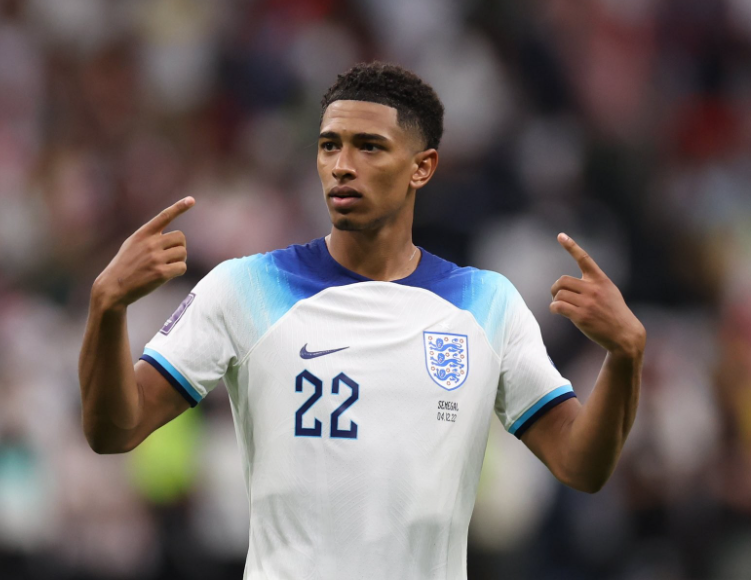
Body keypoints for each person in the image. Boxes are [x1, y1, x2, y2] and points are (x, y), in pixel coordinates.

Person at [79, 62, 645, 579]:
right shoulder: (243, 288)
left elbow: (580, 465)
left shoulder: (486, 304)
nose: (342, 166)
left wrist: (624, 357)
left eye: (369, 147)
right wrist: (107, 307)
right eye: (330, 145)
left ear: (422, 167)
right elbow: (114, 431)